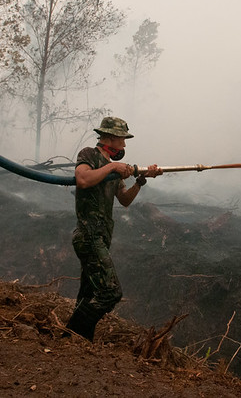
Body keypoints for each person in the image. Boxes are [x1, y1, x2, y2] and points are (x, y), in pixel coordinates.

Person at [65, 117, 162, 340]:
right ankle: (71, 334)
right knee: (110, 292)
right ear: (109, 138)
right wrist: (112, 166)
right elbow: (82, 179)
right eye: (122, 140)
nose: (125, 145)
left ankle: (79, 340)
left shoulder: (116, 170)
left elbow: (124, 200)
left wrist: (140, 181)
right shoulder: (89, 154)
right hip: (88, 235)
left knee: (88, 293)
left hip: (101, 236)